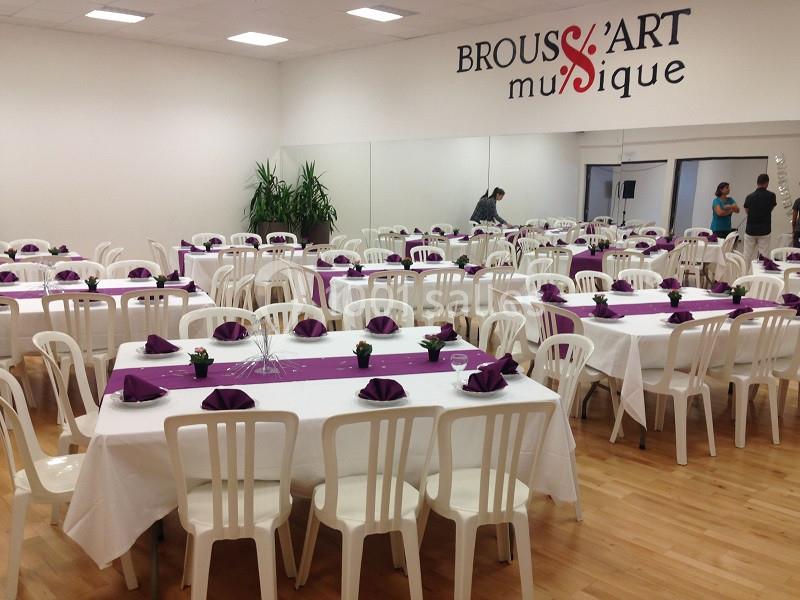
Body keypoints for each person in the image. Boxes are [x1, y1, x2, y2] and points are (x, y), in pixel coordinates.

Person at [743, 173, 777, 264]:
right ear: (767, 183)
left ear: (757, 183)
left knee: (746, 254)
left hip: (750, 229)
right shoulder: (771, 195)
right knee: (764, 254)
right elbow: (771, 209)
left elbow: (747, 211)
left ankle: (743, 274)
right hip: (764, 230)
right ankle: (761, 277)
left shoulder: (749, 196)